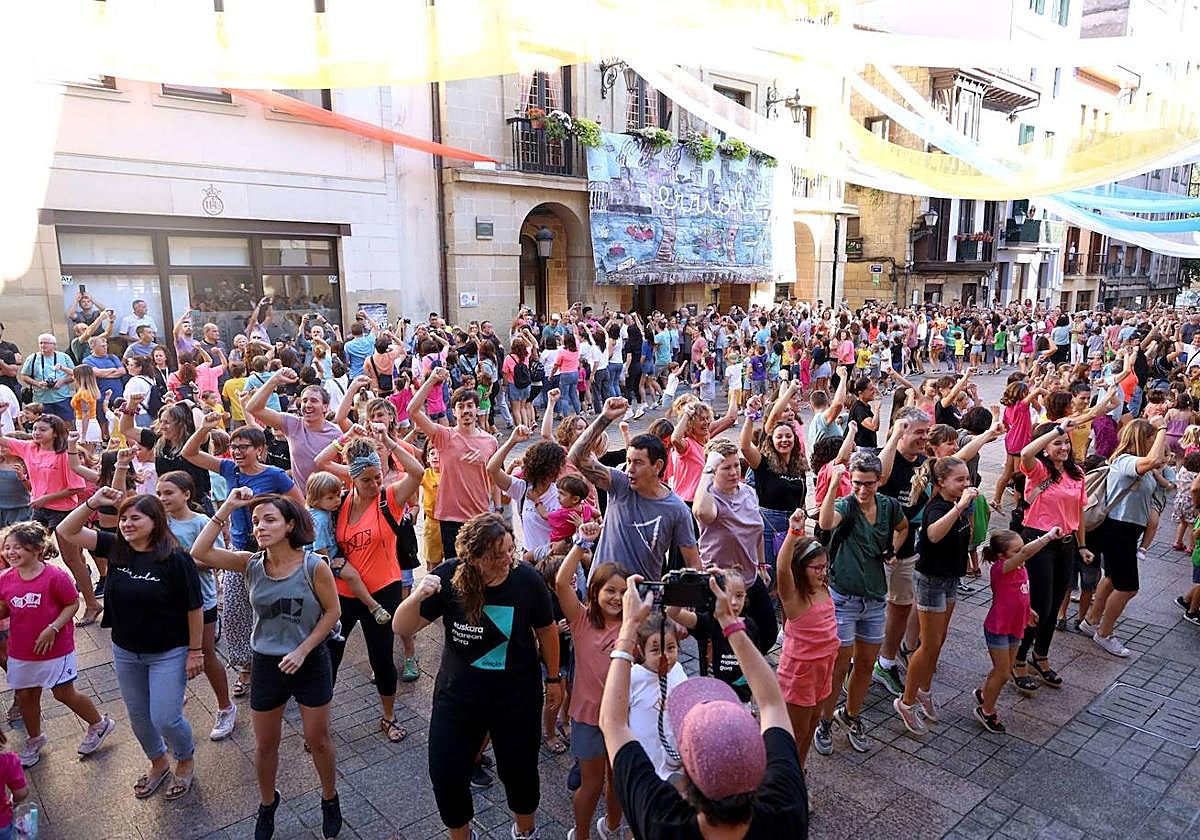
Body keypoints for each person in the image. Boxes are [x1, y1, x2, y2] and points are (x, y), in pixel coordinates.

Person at [599, 572, 809, 839]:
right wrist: (729, 622)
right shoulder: (785, 808)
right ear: (760, 760)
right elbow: (772, 704)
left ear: (688, 775)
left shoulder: (663, 822)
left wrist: (628, 627)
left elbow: (612, 724)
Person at [393, 513, 562, 840]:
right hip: (458, 699)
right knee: (446, 773)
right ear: (473, 557)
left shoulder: (526, 580)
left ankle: (525, 832)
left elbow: (547, 630)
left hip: (516, 698)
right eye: (496, 556)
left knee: (520, 772)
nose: (506, 561)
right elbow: (401, 627)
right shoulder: (450, 578)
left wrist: (553, 679)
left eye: (510, 551)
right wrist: (417, 595)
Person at [191, 490, 344, 840]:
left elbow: (334, 612)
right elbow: (198, 553)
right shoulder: (250, 563)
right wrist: (228, 507)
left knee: (318, 739)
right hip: (267, 663)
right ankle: (266, 803)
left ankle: (329, 797)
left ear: (290, 524)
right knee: (264, 745)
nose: (261, 526)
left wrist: (304, 650)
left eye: (270, 519)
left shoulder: (313, 565)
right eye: (257, 521)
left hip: (309, 661)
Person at [55, 489, 203, 801]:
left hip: (168, 652)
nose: (126, 524)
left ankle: (185, 757)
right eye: (123, 518)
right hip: (125, 650)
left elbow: (194, 607)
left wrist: (195, 651)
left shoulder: (175, 559)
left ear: (155, 521)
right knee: (138, 715)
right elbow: (66, 531)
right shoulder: (115, 548)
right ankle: (158, 762)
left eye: (136, 517)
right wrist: (92, 503)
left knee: (166, 717)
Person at [326, 437, 424, 734]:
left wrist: (388, 442)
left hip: (383, 592)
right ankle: (321, 722)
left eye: (378, 476)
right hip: (343, 593)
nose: (373, 484)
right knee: (331, 655)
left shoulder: (389, 498)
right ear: (351, 478)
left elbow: (417, 473)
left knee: (381, 656)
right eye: (366, 479)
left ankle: (389, 715)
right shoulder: (339, 502)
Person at [0, 522, 116, 767]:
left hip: (56, 648)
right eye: (7, 547)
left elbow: (72, 604)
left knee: (63, 693)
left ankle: (99, 724)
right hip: (21, 649)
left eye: (17, 547)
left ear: (37, 549)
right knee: (26, 695)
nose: (10, 552)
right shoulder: (5, 579)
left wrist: (52, 629)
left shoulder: (55, 576)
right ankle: (34, 739)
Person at [814, 452, 906, 755]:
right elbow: (826, 523)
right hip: (844, 598)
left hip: (875, 598)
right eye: (857, 484)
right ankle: (825, 720)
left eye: (868, 484)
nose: (862, 490)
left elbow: (903, 527)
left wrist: (893, 550)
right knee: (839, 665)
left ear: (879, 482)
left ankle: (851, 716)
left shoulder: (889, 506)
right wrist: (833, 485)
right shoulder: (846, 504)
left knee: (866, 663)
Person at [553, 519, 627, 840]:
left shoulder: (632, 626)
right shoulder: (581, 620)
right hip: (587, 717)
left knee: (618, 780)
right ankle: (580, 833)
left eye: (624, 593)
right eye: (610, 590)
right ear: (595, 592)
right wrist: (581, 543)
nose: (617, 598)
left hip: (623, 719)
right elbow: (560, 583)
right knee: (591, 783)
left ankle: (611, 826)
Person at [569, 397, 700, 579]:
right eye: (629, 461)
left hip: (642, 600)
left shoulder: (677, 510)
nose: (629, 469)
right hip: (601, 595)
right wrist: (604, 417)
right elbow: (577, 457)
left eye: (638, 463)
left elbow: (693, 562)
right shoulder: (619, 484)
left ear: (658, 465)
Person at [894, 457, 975, 734]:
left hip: (950, 578)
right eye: (960, 480)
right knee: (927, 644)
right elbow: (932, 534)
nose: (966, 484)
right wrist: (961, 506)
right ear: (941, 482)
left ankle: (924, 690)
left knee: (938, 641)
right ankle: (906, 701)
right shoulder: (938, 507)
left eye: (967, 479)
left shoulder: (959, 504)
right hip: (930, 580)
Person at [155, 471, 237, 741]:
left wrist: (178, 562)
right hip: (168, 600)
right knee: (170, 653)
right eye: (159, 494)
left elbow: (213, 559)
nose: (163, 498)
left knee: (206, 653)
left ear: (186, 494)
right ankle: (175, 701)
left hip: (201, 598)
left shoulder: (202, 521)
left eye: (169, 493)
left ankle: (225, 707)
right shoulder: (158, 522)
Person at [1011, 421, 1091, 689]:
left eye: (1066, 442)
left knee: (1055, 605)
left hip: (1066, 545)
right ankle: (1019, 657)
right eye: (1058, 442)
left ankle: (1040, 655)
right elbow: (1024, 454)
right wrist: (1057, 429)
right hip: (1039, 541)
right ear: (1044, 447)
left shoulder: (1077, 473)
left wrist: (1082, 546)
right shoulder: (1038, 471)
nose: (1064, 446)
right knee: (1040, 606)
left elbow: (1079, 511)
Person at [1081, 418, 1168, 656]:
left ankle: (1091, 621)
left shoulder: (1140, 466)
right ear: (1144, 439)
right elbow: (1154, 459)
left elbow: (1160, 471)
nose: (1156, 443)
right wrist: (1162, 427)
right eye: (1152, 439)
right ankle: (1105, 633)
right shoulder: (1126, 461)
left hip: (1128, 531)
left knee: (1111, 578)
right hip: (1118, 529)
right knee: (1128, 587)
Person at [0, 415, 99, 624]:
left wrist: (45, 497)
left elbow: (77, 487)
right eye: (34, 428)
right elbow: (3, 440)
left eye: (42, 429)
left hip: (63, 511)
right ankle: (37, 600)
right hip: (40, 509)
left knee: (70, 558)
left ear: (55, 432)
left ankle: (92, 604)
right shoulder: (29, 447)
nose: (36, 433)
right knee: (30, 552)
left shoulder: (63, 454)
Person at [692, 439, 775, 653]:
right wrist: (708, 468)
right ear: (712, 470)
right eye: (726, 467)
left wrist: (762, 566)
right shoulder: (710, 498)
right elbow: (701, 512)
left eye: (736, 465)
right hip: (721, 583)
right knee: (723, 645)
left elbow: (757, 531)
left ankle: (749, 671)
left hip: (749, 577)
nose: (733, 472)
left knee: (768, 632)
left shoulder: (748, 492)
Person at [975, 527, 1061, 733]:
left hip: (1014, 626)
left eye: (1022, 548)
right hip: (998, 627)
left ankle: (985, 693)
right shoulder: (1001, 569)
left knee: (1002, 669)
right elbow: (1026, 553)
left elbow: (1019, 592)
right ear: (1001, 556)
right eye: (1017, 552)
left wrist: (1028, 610)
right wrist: (1048, 537)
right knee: (1003, 673)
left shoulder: (1021, 568)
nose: (1023, 553)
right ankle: (986, 710)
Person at [408, 367, 499, 558]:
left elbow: (495, 478)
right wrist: (432, 380)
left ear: (477, 408)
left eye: (470, 406)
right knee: (455, 573)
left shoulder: (490, 442)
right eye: (461, 406)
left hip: (480, 516)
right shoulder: (444, 436)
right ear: (454, 411)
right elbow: (413, 410)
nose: (466, 410)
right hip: (450, 518)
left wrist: (497, 509)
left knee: (481, 569)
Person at [873, 407, 931, 697]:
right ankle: (856, 661)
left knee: (900, 606)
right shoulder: (887, 458)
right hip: (875, 551)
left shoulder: (923, 462)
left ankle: (885, 662)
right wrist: (895, 433)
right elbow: (880, 479)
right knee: (867, 608)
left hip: (906, 551)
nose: (924, 437)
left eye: (926, 432)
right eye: (919, 432)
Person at [774, 510, 838, 774]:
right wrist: (794, 532)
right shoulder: (794, 598)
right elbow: (781, 566)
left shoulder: (823, 588)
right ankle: (784, 779)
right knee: (796, 732)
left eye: (825, 566)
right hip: (801, 672)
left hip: (824, 668)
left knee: (812, 724)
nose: (823, 572)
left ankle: (799, 771)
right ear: (801, 569)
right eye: (817, 568)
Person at [242, 367, 341, 489]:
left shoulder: (336, 433)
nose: (308, 405)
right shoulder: (293, 424)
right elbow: (253, 408)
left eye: (314, 401)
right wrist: (275, 380)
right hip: (300, 499)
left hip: (328, 499)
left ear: (325, 407)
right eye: (304, 401)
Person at [18, 334, 75, 423]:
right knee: (44, 425)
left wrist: (62, 381)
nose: (43, 345)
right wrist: (37, 383)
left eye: (46, 343)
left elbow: (74, 374)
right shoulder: (33, 358)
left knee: (66, 424)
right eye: (41, 343)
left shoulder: (64, 357)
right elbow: (24, 376)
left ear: (54, 345)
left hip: (62, 398)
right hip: (41, 400)